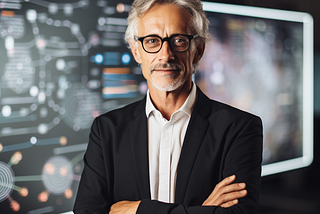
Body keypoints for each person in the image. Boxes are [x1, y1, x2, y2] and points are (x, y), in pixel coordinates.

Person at [73, 0, 263, 213]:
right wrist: (202, 210)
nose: (165, 55)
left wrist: (140, 210)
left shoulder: (240, 128)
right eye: (152, 41)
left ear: (198, 50)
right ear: (136, 51)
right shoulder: (106, 130)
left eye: (179, 40)